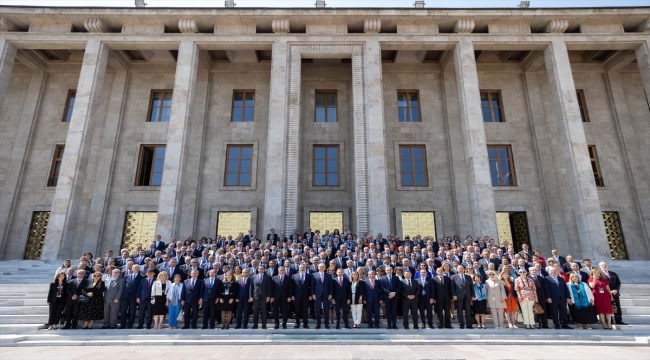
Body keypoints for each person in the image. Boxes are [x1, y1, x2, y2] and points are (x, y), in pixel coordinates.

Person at [120, 264, 142, 329]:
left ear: (139, 269)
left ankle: (130, 324)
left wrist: (138, 297)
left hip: (134, 296)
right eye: (134, 268)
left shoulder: (141, 277)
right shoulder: (126, 276)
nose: (135, 269)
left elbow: (140, 288)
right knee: (123, 311)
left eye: (137, 268)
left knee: (132, 311)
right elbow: (123, 286)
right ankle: (123, 325)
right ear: (132, 269)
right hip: (125, 295)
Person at [311, 263, 333, 329]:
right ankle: (318, 324)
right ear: (318, 268)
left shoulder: (328, 275)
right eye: (320, 267)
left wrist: (330, 294)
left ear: (325, 267)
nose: (321, 268)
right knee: (317, 310)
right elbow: (312, 286)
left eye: (323, 267)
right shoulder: (314, 275)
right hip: (317, 294)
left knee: (326, 309)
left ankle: (326, 324)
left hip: (326, 294)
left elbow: (331, 286)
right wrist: (313, 294)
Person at [251, 265, 272, 329]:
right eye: (260, 268)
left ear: (264, 269)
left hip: (264, 296)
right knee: (255, 311)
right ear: (258, 269)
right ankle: (255, 324)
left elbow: (269, 288)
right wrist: (251, 296)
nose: (261, 269)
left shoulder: (268, 277)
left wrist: (269, 296)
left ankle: (264, 325)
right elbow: (251, 287)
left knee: (264, 311)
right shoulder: (254, 277)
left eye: (262, 268)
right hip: (256, 296)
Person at [291, 264, 312, 329]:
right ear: (298, 268)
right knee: (297, 310)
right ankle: (297, 323)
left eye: (303, 267)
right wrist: (292, 295)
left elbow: (311, 287)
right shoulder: (294, 276)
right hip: (297, 296)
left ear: (305, 268)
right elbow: (292, 287)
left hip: (306, 296)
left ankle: (305, 324)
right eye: (301, 267)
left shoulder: (309, 276)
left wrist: (311, 295)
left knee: (305, 311)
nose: (302, 268)